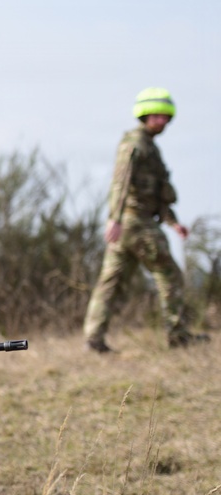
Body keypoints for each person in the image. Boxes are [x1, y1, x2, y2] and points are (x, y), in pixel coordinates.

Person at [83, 87, 208, 352]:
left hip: (130, 225)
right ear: (144, 114)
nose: (161, 121)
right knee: (170, 276)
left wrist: (173, 222)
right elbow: (121, 182)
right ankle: (179, 335)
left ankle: (93, 340)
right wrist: (114, 219)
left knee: (111, 283)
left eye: (165, 117)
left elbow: (156, 191)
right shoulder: (135, 144)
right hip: (136, 224)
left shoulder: (149, 146)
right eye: (156, 116)